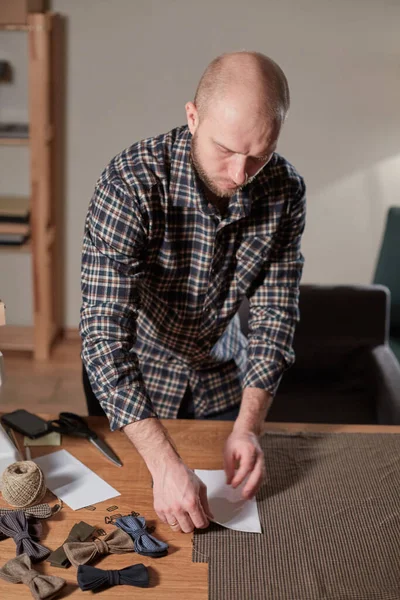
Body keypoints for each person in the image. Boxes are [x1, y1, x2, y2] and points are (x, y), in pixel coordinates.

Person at [80, 51, 306, 534]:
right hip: (134, 376)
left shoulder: (286, 190)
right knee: (131, 512)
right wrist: (163, 464)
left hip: (223, 374)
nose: (241, 175)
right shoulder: (130, 184)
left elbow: (275, 314)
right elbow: (103, 336)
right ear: (192, 116)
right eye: (225, 150)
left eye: (259, 155)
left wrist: (250, 426)